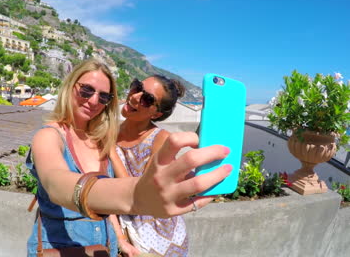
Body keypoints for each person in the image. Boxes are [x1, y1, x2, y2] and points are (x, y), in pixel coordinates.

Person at [26, 59, 233, 257]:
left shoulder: (101, 137)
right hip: (63, 247)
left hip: (142, 238)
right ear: (70, 85)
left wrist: (120, 239)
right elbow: (56, 182)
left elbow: (112, 207)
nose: (94, 100)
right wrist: (135, 195)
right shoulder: (50, 136)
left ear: (156, 114)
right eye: (86, 90)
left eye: (104, 96)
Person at [109, 75, 191, 257]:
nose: (135, 96)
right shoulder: (110, 131)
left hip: (158, 240)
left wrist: (110, 150)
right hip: (121, 233)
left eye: (147, 99)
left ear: (156, 114)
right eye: (136, 86)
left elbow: (138, 193)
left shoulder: (161, 140)